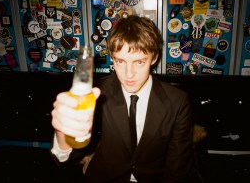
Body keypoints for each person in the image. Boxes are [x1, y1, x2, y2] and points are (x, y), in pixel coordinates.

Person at [50, 15, 195, 183]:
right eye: (120, 61)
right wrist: (63, 136)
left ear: (154, 58)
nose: (128, 74)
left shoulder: (177, 101)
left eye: (139, 62)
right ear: (112, 58)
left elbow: (178, 167)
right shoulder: (96, 94)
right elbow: (66, 158)